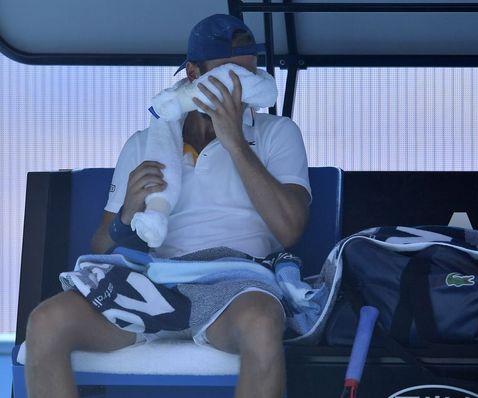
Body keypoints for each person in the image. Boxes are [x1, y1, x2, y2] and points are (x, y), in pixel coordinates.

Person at [24, 13, 311, 398]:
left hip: (239, 281)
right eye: (231, 77)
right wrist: (127, 214)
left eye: (251, 78)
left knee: (262, 324)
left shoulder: (278, 134)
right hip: (156, 280)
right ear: (194, 73)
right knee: (45, 323)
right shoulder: (144, 142)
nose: (241, 91)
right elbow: (101, 247)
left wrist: (235, 143)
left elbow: (290, 228)